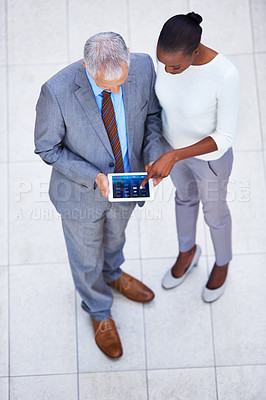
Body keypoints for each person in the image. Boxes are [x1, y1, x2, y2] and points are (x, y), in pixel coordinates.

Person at [34, 32, 162, 358]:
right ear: (87, 69)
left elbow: (152, 117)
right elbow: (47, 148)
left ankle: (114, 274)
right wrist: (93, 177)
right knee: (85, 254)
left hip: (127, 184)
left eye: (122, 81)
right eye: (109, 87)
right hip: (80, 194)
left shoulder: (144, 66)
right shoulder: (57, 92)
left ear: (129, 56)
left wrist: (153, 154)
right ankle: (98, 308)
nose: (118, 90)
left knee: (116, 238)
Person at [141, 12, 240, 302]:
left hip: (210, 161)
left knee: (216, 214)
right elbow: (161, 108)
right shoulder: (169, 61)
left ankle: (222, 263)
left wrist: (174, 155)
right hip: (172, 151)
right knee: (184, 199)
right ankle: (187, 252)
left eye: (175, 67)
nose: (167, 71)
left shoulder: (225, 75)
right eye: (163, 65)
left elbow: (225, 136)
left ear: (195, 51)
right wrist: (160, 152)